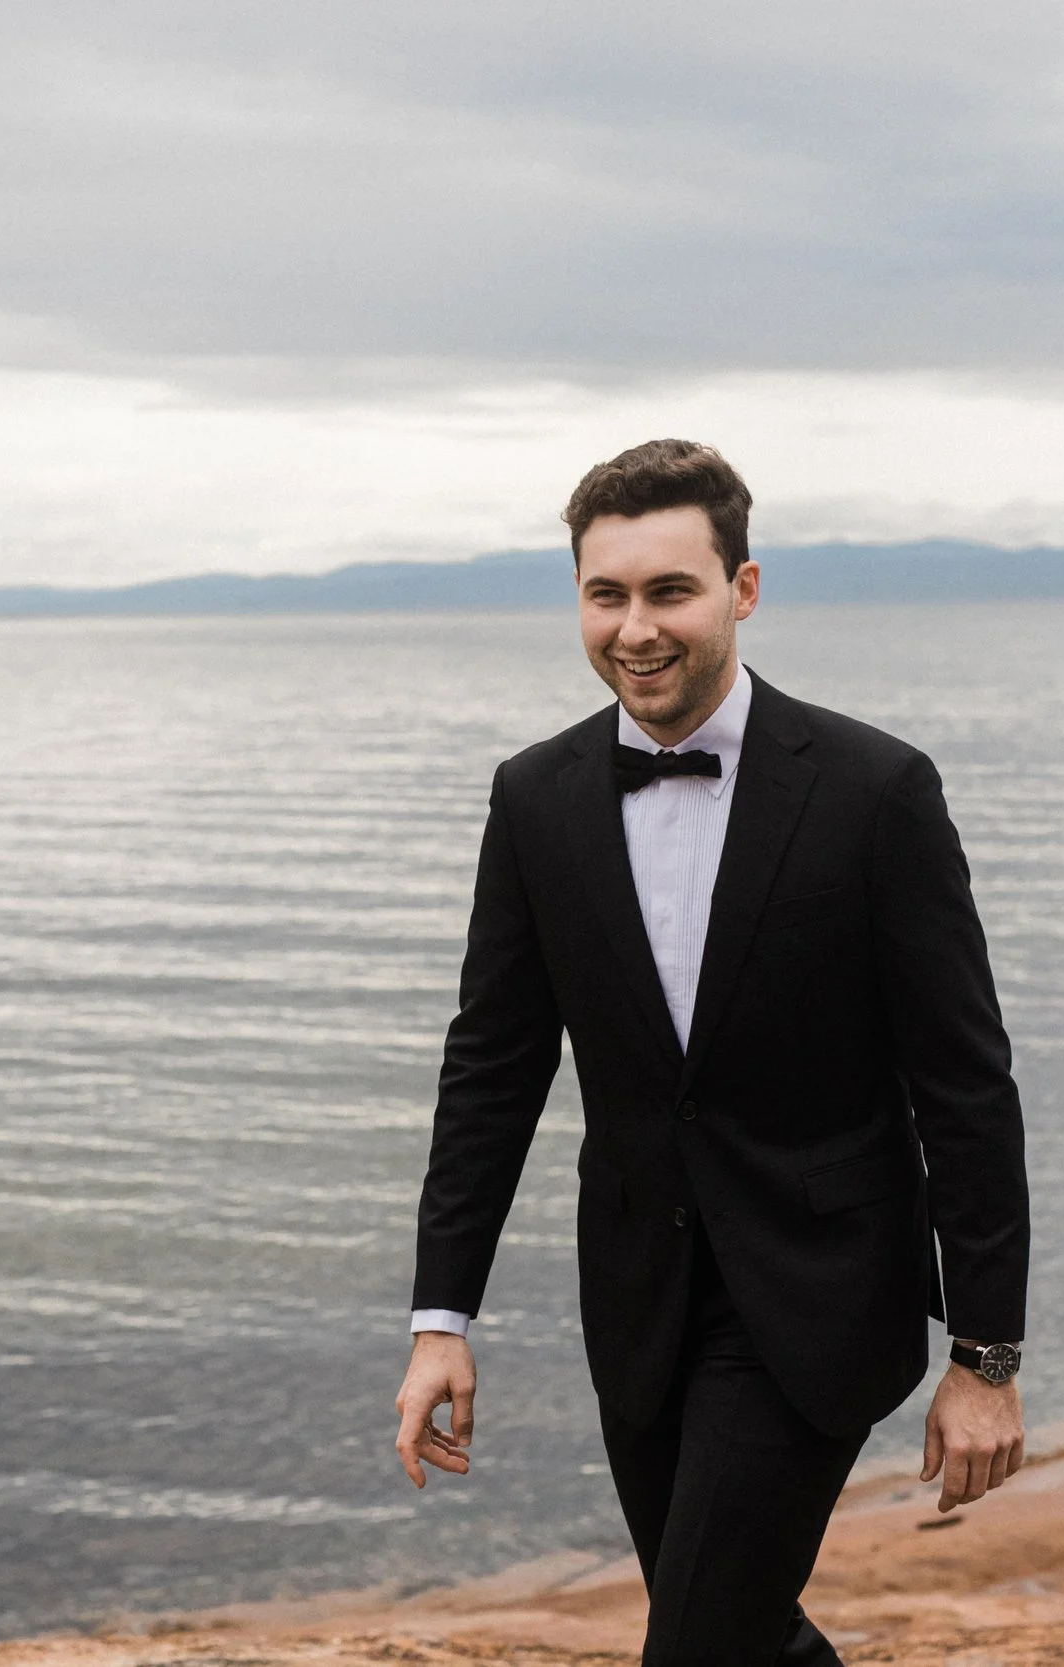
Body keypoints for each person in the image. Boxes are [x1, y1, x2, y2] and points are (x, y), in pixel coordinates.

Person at [394, 439, 1030, 1667]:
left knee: (694, 1646)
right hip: (639, 1303)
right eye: (606, 594)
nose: (636, 629)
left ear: (742, 589)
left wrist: (985, 1355)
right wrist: (440, 1317)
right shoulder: (534, 797)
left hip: (819, 1297)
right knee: (743, 1635)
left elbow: (964, 1086)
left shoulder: (876, 790)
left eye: (669, 591)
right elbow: (491, 1070)